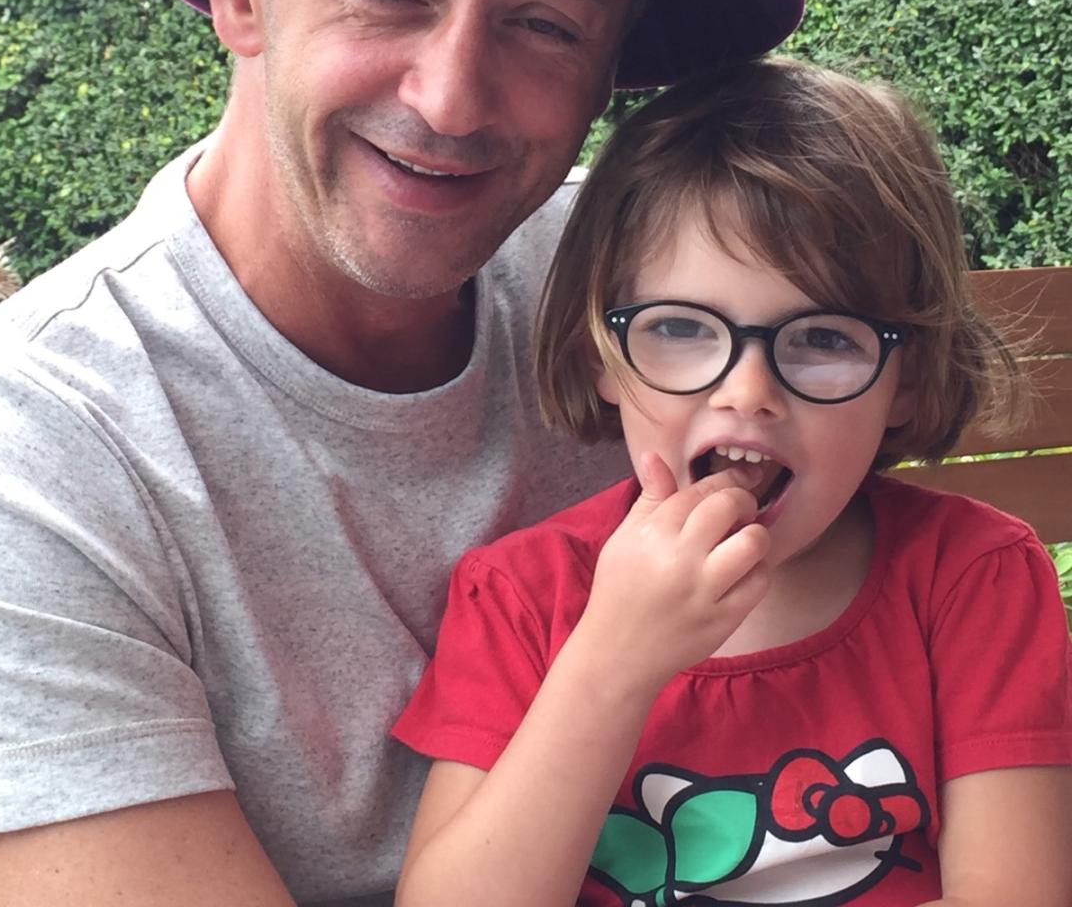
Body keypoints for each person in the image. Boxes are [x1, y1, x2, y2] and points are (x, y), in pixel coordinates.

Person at [0, 0, 806, 906]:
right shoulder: (43, 459)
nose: (451, 99)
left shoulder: (655, 308)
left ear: (611, 63)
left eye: (545, 24)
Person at [393, 57, 1072, 907]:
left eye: (824, 339)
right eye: (680, 328)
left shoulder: (971, 579)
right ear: (599, 357)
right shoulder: (521, 601)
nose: (748, 393)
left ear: (909, 381)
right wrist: (611, 663)